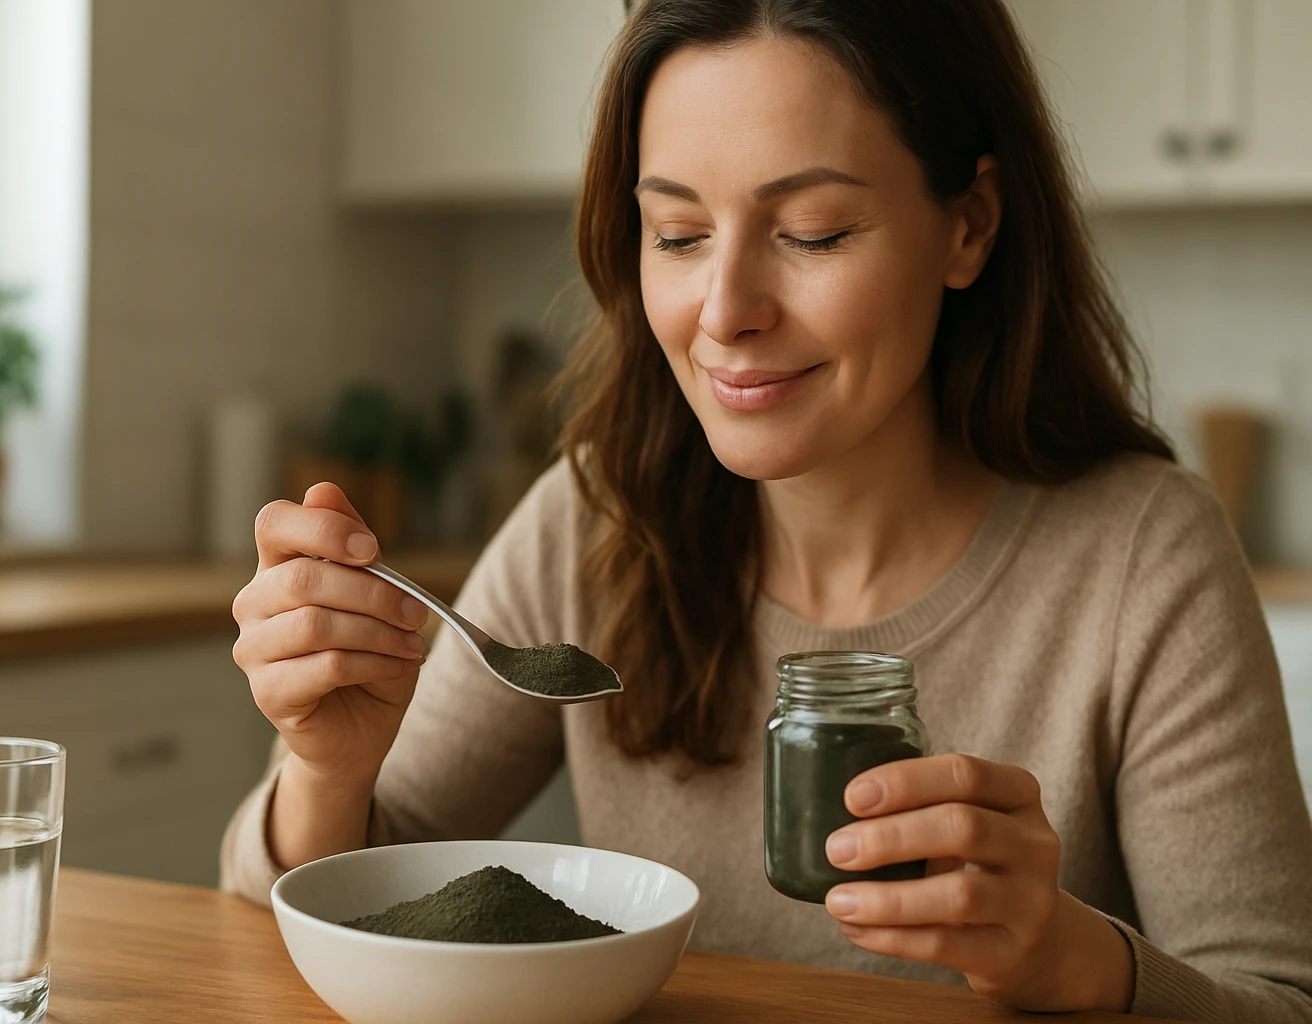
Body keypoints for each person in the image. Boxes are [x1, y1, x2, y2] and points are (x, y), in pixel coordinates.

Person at [223, 1, 1312, 1019]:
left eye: (815, 232)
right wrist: (330, 767)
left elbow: (1276, 994)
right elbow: (295, 906)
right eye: (679, 235)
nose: (726, 313)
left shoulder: (1142, 556)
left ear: (970, 225)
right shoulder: (598, 518)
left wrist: (1079, 957)